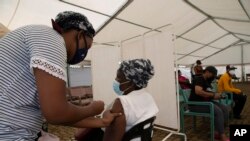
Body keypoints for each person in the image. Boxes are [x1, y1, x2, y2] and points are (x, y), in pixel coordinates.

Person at [0, 11, 120, 140]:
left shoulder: (37, 36)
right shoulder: (51, 39)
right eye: (87, 47)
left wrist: (101, 122)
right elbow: (56, 113)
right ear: (80, 35)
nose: (84, 53)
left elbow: (58, 114)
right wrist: (92, 109)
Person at [189, 66, 229, 141]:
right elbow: (198, 91)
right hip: (194, 104)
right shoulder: (199, 79)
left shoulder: (207, 81)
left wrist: (217, 95)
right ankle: (222, 135)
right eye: (212, 75)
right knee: (218, 111)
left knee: (224, 108)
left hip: (204, 102)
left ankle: (217, 131)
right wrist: (213, 95)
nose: (213, 77)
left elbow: (208, 93)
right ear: (207, 72)